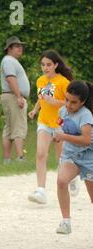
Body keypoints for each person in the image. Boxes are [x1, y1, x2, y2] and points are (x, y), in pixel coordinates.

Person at [28, 50, 79, 204]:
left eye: (48, 64)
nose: (45, 67)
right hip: (43, 122)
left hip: (60, 124)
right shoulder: (40, 81)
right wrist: (35, 109)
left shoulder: (64, 82)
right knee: (41, 154)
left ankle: (72, 178)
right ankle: (41, 191)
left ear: (56, 65)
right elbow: (42, 98)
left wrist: (55, 102)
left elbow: (71, 103)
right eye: (43, 64)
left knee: (61, 158)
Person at [53, 80, 93, 234]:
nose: (69, 105)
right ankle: (66, 222)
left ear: (82, 102)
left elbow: (85, 140)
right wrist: (57, 135)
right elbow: (60, 125)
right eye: (67, 99)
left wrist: (63, 136)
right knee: (62, 181)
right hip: (70, 155)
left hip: (88, 157)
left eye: (74, 102)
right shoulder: (63, 111)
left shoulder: (86, 115)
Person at [0, 36, 30, 164]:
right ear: (9, 49)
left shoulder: (10, 61)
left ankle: (7, 159)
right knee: (18, 126)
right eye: (17, 46)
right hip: (13, 96)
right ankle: (20, 157)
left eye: (20, 46)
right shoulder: (9, 61)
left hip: (10, 96)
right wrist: (18, 96)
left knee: (9, 128)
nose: (20, 48)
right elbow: (10, 79)